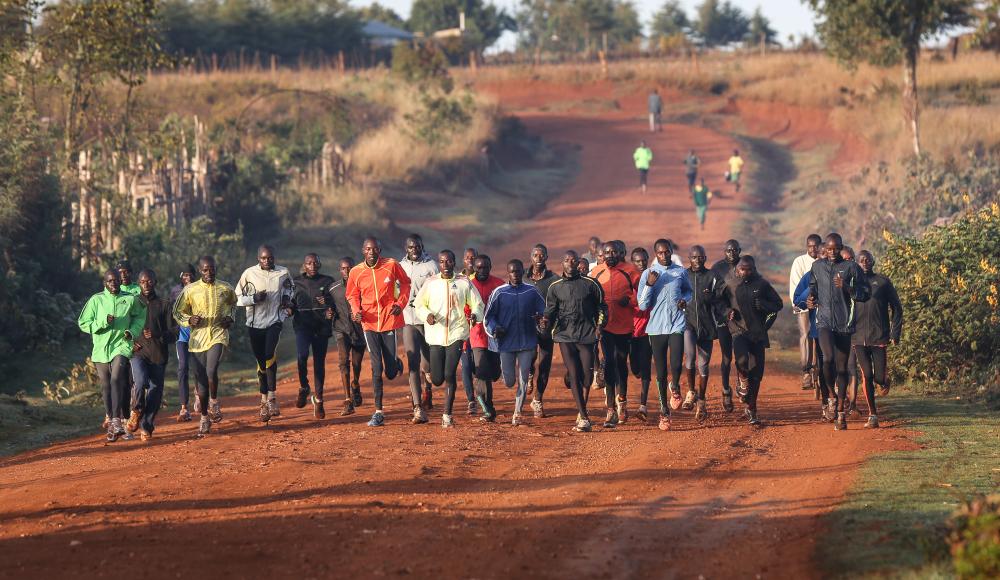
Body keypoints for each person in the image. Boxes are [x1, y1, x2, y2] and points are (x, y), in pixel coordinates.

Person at [413, 250, 485, 428]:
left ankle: (447, 414)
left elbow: (477, 303)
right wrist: (427, 315)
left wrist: (475, 315)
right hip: (436, 336)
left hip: (456, 334)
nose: (445, 265)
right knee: (437, 379)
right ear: (439, 264)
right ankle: (430, 374)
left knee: (449, 374)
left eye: (449, 262)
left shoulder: (463, 282)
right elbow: (419, 304)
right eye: (442, 262)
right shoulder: (431, 283)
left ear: (454, 263)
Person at [806, 233, 870, 430]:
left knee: (842, 369)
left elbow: (865, 293)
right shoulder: (817, 266)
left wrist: (848, 287)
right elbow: (813, 289)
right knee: (827, 359)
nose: (832, 252)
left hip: (844, 324)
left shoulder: (851, 268)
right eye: (829, 249)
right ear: (825, 248)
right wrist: (811, 300)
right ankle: (832, 398)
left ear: (842, 247)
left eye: (836, 249)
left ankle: (841, 413)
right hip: (824, 321)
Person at [346, 237, 410, 427]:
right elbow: (351, 294)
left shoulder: (391, 265)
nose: (371, 252)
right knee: (376, 367)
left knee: (390, 372)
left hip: (389, 320)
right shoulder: (356, 272)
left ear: (379, 249)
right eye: (368, 249)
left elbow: (405, 283)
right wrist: (356, 311)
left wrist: (400, 304)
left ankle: (395, 363)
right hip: (369, 323)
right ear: (363, 251)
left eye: (374, 249)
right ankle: (378, 411)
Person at [541, 251, 607, 432]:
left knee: (587, 378)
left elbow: (602, 306)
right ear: (562, 263)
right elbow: (550, 310)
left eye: (573, 260)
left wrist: (600, 325)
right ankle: (583, 417)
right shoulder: (555, 287)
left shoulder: (591, 284)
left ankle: (573, 380)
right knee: (576, 374)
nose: (570, 263)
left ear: (579, 263)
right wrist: (545, 320)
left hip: (587, 334)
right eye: (566, 260)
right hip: (565, 335)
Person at [172, 255, 238, 435]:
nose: (209, 273)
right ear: (200, 271)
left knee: (211, 371)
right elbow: (177, 312)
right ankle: (203, 417)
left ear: (216, 268)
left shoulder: (225, 287)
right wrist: (189, 319)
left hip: (217, 334)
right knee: (200, 380)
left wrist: (230, 318)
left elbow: (233, 304)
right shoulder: (190, 290)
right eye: (205, 270)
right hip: (197, 340)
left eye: (212, 269)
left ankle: (214, 403)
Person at [78, 269, 145, 442]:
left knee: (117, 379)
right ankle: (111, 419)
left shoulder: (129, 299)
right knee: (106, 385)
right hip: (101, 348)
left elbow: (140, 316)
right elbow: (83, 323)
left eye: (116, 280)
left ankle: (117, 420)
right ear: (105, 283)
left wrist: (132, 332)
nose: (113, 283)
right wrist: (102, 322)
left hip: (121, 346)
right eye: (110, 281)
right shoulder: (96, 300)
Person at [721, 256, 783, 425]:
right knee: (741, 361)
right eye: (742, 269)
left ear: (754, 269)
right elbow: (718, 302)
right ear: (737, 269)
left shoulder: (762, 284)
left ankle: (752, 408)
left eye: (749, 269)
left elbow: (778, 304)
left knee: (756, 373)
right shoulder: (730, 283)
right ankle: (742, 380)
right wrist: (727, 312)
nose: (745, 272)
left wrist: (763, 304)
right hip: (738, 331)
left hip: (758, 333)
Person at [484, 259, 546, 426]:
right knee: (509, 381)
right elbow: (488, 317)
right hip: (506, 344)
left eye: (518, 272)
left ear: (522, 272)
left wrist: (541, 318)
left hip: (527, 342)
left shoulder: (531, 291)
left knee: (524, 378)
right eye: (512, 272)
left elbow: (543, 309)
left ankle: (517, 412)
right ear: (508, 273)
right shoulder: (499, 293)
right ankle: (507, 378)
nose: (516, 275)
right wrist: (495, 329)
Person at [236, 245, 293, 423]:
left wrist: (286, 301)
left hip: (274, 321)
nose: (266, 261)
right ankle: (263, 400)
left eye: (269, 258)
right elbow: (237, 297)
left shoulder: (283, 272)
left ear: (274, 257)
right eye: (263, 258)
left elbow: (291, 290)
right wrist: (254, 299)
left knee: (269, 354)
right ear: (258, 258)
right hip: (254, 324)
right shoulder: (248, 274)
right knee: (261, 362)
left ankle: (272, 398)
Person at [590, 241, 639, 427]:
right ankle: (610, 408)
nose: (610, 255)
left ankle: (623, 401)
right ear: (602, 254)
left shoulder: (630, 270)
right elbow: (591, 296)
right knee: (609, 362)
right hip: (605, 325)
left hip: (625, 325)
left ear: (620, 253)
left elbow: (642, 294)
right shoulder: (596, 272)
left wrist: (630, 300)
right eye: (607, 252)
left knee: (620, 362)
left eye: (614, 252)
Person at [852, 250, 903, 429]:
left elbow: (897, 308)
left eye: (868, 260)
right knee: (867, 375)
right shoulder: (852, 284)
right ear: (856, 263)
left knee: (879, 377)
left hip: (879, 337)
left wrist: (895, 333)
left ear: (873, 262)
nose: (865, 262)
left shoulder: (883, 282)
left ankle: (884, 381)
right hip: (857, 338)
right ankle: (873, 415)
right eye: (861, 260)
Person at [125, 270, 174, 441]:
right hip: (138, 352)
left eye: (149, 281)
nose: (146, 285)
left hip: (158, 354)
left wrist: (157, 333)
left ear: (155, 282)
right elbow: (122, 329)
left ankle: (147, 425)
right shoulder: (132, 304)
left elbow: (173, 333)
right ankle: (136, 410)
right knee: (140, 381)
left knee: (155, 391)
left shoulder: (164, 304)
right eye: (143, 281)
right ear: (138, 283)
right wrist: (130, 343)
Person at [682, 246, 728, 422]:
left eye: (701, 257)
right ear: (689, 258)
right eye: (694, 257)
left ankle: (701, 402)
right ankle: (691, 392)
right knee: (690, 357)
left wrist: (722, 308)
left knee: (703, 365)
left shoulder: (712, 277)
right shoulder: (683, 276)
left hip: (707, 326)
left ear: (705, 258)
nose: (698, 260)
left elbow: (721, 298)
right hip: (688, 323)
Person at [400, 234, 439, 421]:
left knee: (427, 363)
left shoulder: (431, 266)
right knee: (412, 362)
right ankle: (417, 407)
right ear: (405, 249)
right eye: (410, 247)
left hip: (427, 320)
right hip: (408, 319)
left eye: (417, 247)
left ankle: (428, 385)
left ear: (422, 247)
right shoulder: (401, 267)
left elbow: (438, 291)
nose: (414, 250)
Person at [291, 253, 335, 419]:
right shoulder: (296, 282)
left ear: (320, 264)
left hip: (322, 327)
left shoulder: (328, 281)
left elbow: (334, 303)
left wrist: (329, 307)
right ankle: (304, 386)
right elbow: (291, 303)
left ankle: (319, 400)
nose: (312, 265)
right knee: (302, 356)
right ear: (305, 265)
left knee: (319, 363)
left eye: (315, 263)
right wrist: (289, 309)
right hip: (303, 326)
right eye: (309, 263)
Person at [468, 255, 505, 422]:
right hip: (475, 334)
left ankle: (484, 381)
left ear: (490, 267)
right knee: (482, 370)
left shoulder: (499, 285)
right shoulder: (467, 285)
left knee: (494, 372)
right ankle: (488, 408)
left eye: (485, 267)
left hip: (494, 335)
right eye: (478, 268)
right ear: (473, 268)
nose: (482, 271)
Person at [524, 244, 559, 418]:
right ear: (531, 257)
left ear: (546, 257)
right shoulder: (522, 276)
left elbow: (559, 303)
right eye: (535, 255)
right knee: (530, 357)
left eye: (542, 255)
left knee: (545, 363)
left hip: (547, 327)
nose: (538, 258)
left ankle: (538, 399)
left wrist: (549, 319)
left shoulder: (553, 279)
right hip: (527, 327)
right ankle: (529, 373)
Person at [331, 257, 367, 416]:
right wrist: (328, 312)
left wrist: (361, 314)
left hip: (359, 331)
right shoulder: (333, 288)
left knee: (357, 365)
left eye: (349, 268)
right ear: (339, 270)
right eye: (343, 268)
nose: (346, 271)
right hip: (341, 330)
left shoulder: (364, 286)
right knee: (343, 362)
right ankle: (347, 400)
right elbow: (327, 305)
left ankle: (355, 384)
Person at [711, 239, 743, 411]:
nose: (732, 253)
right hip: (724, 318)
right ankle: (725, 390)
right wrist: (724, 311)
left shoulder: (745, 265)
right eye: (728, 251)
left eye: (735, 250)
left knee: (741, 356)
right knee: (726, 357)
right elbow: (714, 296)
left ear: (740, 251)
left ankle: (741, 383)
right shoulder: (717, 268)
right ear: (724, 252)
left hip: (741, 319)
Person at [789, 234, 823, 392]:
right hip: (804, 305)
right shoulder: (800, 262)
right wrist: (800, 304)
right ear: (807, 247)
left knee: (821, 337)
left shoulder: (824, 261)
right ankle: (806, 371)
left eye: (817, 246)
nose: (814, 249)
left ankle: (821, 369)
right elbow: (796, 285)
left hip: (822, 306)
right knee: (806, 334)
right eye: (811, 246)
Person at [627, 248, 653, 423]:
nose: (641, 264)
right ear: (632, 262)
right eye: (638, 261)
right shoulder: (628, 280)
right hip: (629, 330)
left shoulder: (654, 278)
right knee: (635, 367)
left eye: (644, 260)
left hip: (648, 331)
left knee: (645, 368)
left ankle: (642, 405)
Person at [171, 264, 196, 422]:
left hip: (200, 337)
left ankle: (200, 395)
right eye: (184, 275)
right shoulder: (175, 291)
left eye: (190, 275)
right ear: (181, 277)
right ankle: (184, 408)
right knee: (183, 368)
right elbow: (171, 311)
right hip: (182, 337)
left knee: (199, 369)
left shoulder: (201, 289)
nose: (187, 278)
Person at [840, 245, 863, 414]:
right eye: (845, 260)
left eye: (851, 259)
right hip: (837, 330)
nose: (849, 263)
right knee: (837, 367)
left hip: (855, 331)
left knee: (852, 368)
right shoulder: (833, 282)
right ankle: (839, 400)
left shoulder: (860, 282)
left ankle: (853, 404)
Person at [459, 247, 480, 416]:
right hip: (462, 328)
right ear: (463, 260)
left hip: (479, 328)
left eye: (473, 257)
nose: (470, 260)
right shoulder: (458, 278)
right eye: (467, 257)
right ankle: (471, 400)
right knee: (465, 365)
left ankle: (482, 396)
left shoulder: (480, 278)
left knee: (477, 366)